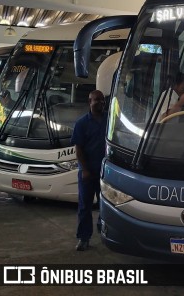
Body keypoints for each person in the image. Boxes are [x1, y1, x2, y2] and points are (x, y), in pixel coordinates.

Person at [71, 90, 106, 251]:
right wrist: (84, 169)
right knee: (85, 206)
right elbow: (78, 149)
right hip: (87, 172)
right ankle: (83, 238)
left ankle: (103, 228)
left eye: (102, 100)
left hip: (105, 173)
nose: (99, 102)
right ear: (89, 101)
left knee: (105, 205)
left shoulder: (109, 120)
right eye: (96, 100)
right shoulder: (81, 123)